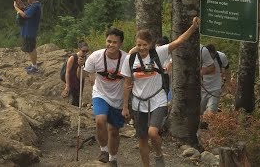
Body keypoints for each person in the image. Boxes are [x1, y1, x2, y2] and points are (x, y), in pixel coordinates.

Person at [121, 17, 200, 167]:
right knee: (142, 138)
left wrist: (192, 28)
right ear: (135, 44)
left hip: (158, 99)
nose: (142, 48)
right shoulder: (130, 59)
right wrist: (125, 106)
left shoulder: (159, 53)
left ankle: (158, 154)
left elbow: (178, 42)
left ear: (150, 44)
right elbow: (127, 83)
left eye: (145, 45)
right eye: (139, 45)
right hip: (138, 102)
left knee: (152, 132)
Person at [84, 28, 127, 166]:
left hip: (118, 98)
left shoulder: (126, 59)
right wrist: (80, 66)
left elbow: (129, 82)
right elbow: (82, 76)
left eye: (115, 42)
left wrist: (127, 105)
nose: (111, 45)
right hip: (100, 94)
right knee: (100, 121)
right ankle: (103, 150)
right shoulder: (95, 56)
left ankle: (113, 158)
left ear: (120, 44)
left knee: (114, 131)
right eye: (109, 41)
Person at [13, 0, 41, 74]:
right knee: (30, 49)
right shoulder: (33, 5)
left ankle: (35, 67)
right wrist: (21, 3)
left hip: (30, 31)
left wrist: (16, 7)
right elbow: (25, 10)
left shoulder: (35, 6)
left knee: (31, 49)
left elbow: (25, 15)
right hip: (27, 31)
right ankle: (33, 65)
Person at [200, 44, 230, 114]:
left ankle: (209, 124)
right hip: (201, 89)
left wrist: (228, 84)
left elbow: (227, 70)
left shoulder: (221, 57)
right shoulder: (200, 56)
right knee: (200, 112)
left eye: (211, 57)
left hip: (215, 88)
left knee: (212, 111)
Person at [61, 40, 89, 106]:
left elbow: (86, 69)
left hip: (80, 79)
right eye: (83, 51)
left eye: (87, 51)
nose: (85, 53)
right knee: (72, 96)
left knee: (78, 96)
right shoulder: (73, 58)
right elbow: (67, 72)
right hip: (72, 79)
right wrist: (67, 86)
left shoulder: (85, 58)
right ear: (79, 49)